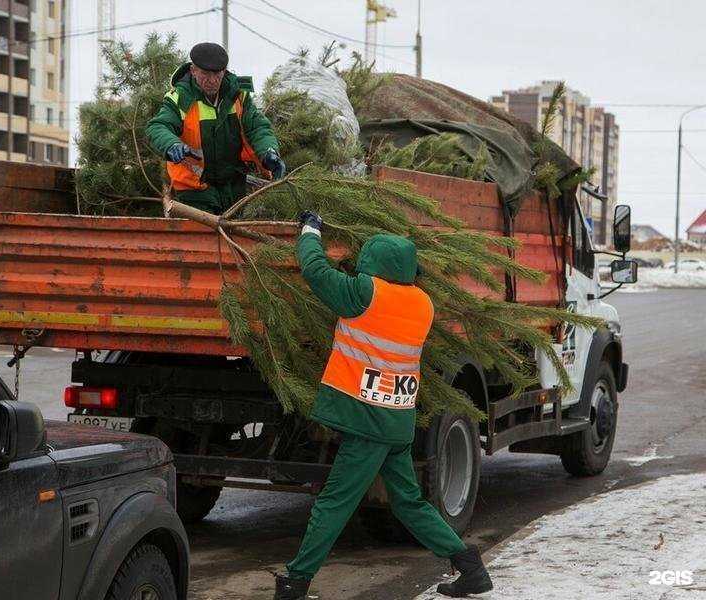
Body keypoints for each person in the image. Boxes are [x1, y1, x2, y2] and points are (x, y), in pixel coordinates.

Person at [274, 212, 494, 599]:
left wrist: (310, 230)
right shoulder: (422, 304)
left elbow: (314, 269)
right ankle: (470, 568)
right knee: (408, 502)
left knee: (334, 503)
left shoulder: (365, 293)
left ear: (374, 266)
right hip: (396, 419)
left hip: (367, 419)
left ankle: (294, 583)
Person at [146, 42, 285, 214]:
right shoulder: (180, 99)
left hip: (233, 186)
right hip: (194, 189)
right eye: (205, 74)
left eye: (217, 74)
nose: (212, 81)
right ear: (193, 70)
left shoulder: (239, 95)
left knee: (233, 235)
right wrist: (171, 145)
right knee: (203, 238)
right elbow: (158, 126)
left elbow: (258, 127)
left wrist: (268, 151)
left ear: (224, 71)